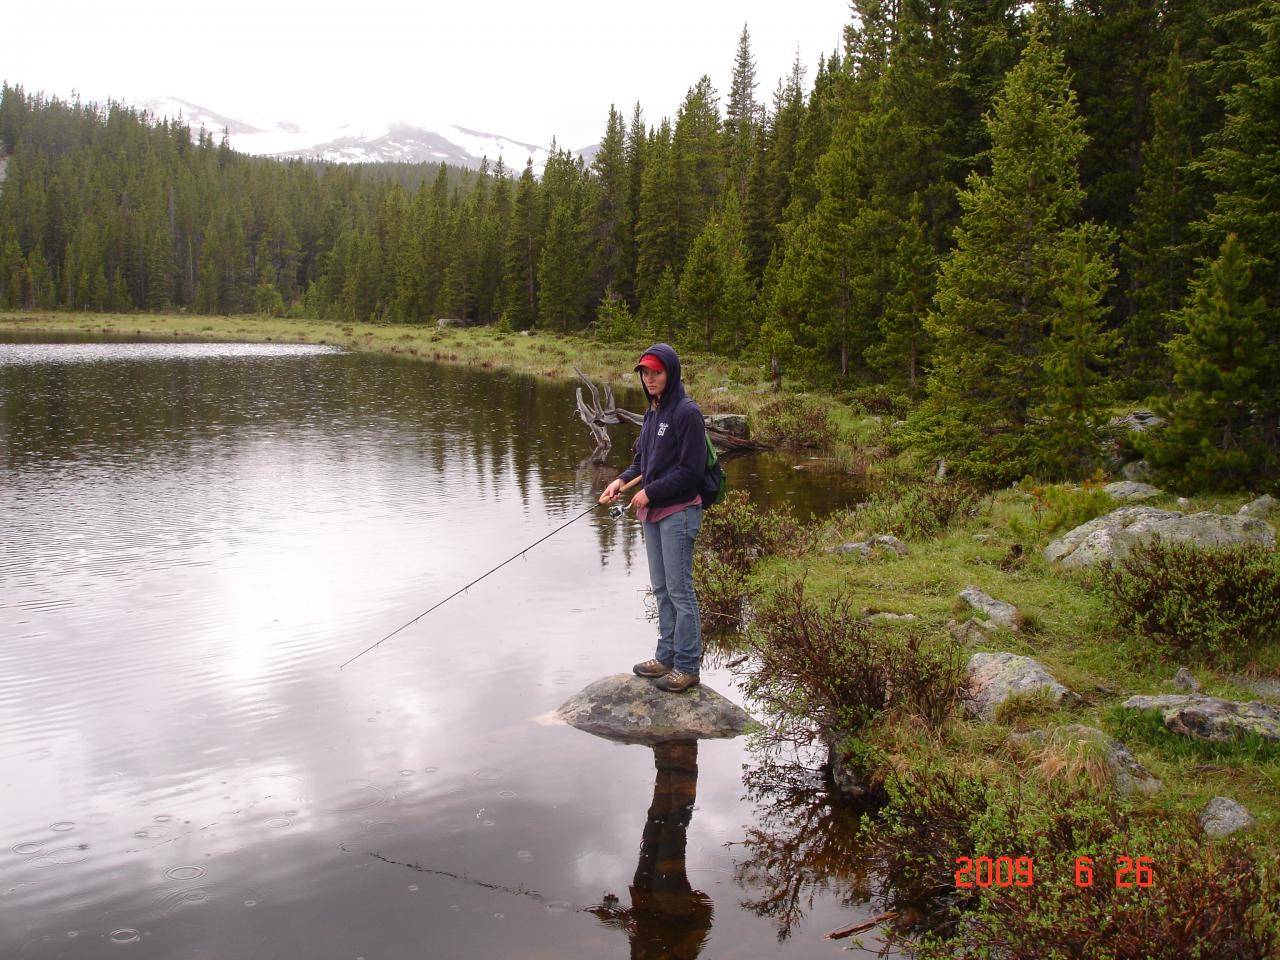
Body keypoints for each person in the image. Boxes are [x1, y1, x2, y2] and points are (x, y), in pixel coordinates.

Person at [599, 343, 706, 693]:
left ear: (670, 373)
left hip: (679, 512)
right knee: (661, 588)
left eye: (656, 372)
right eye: (645, 373)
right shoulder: (653, 413)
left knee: (680, 591)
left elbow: (691, 473)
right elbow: (641, 465)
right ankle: (666, 656)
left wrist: (651, 492)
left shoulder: (686, 413)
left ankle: (688, 666)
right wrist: (619, 481)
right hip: (653, 512)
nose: (649, 379)